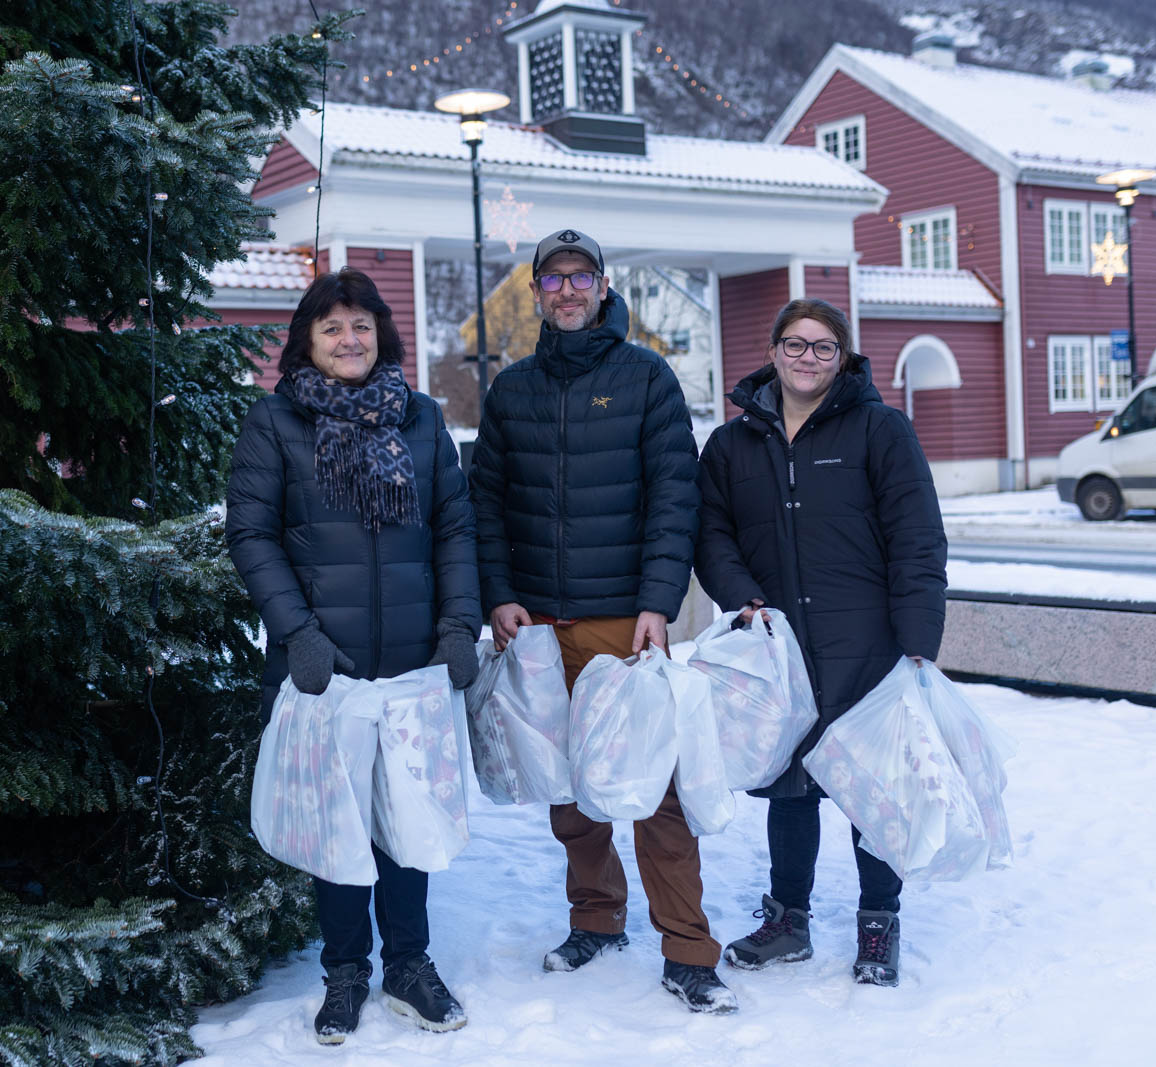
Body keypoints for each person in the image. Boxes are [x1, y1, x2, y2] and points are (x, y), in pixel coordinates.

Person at [468, 228, 735, 1014]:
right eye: (554, 280)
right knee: (568, 791)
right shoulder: (511, 390)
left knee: (655, 788)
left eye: (581, 277)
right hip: (540, 626)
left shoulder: (646, 376)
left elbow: (674, 497)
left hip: (626, 621)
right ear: (537, 293)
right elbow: (483, 503)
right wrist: (498, 593)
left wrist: (658, 601)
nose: (569, 291)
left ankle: (688, 948)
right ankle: (596, 919)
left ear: (604, 285)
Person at [226, 268, 481, 1044]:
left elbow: (455, 527)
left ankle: (409, 963)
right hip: (320, 665)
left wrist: (459, 623)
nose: (349, 339)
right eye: (332, 327)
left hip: (411, 663)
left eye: (362, 325)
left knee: (407, 818)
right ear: (307, 340)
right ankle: (345, 973)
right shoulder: (274, 423)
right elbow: (251, 534)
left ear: (383, 335)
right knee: (336, 823)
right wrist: (296, 631)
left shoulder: (422, 418)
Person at [696, 297, 947, 987]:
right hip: (781, 647)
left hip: (867, 643)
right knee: (790, 787)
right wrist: (742, 595)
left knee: (874, 791)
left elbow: (917, 536)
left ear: (844, 357)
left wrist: (919, 634)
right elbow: (711, 534)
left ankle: (878, 922)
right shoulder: (731, 444)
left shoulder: (881, 431)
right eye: (795, 344)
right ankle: (788, 920)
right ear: (773, 350)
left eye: (823, 347)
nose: (808, 357)